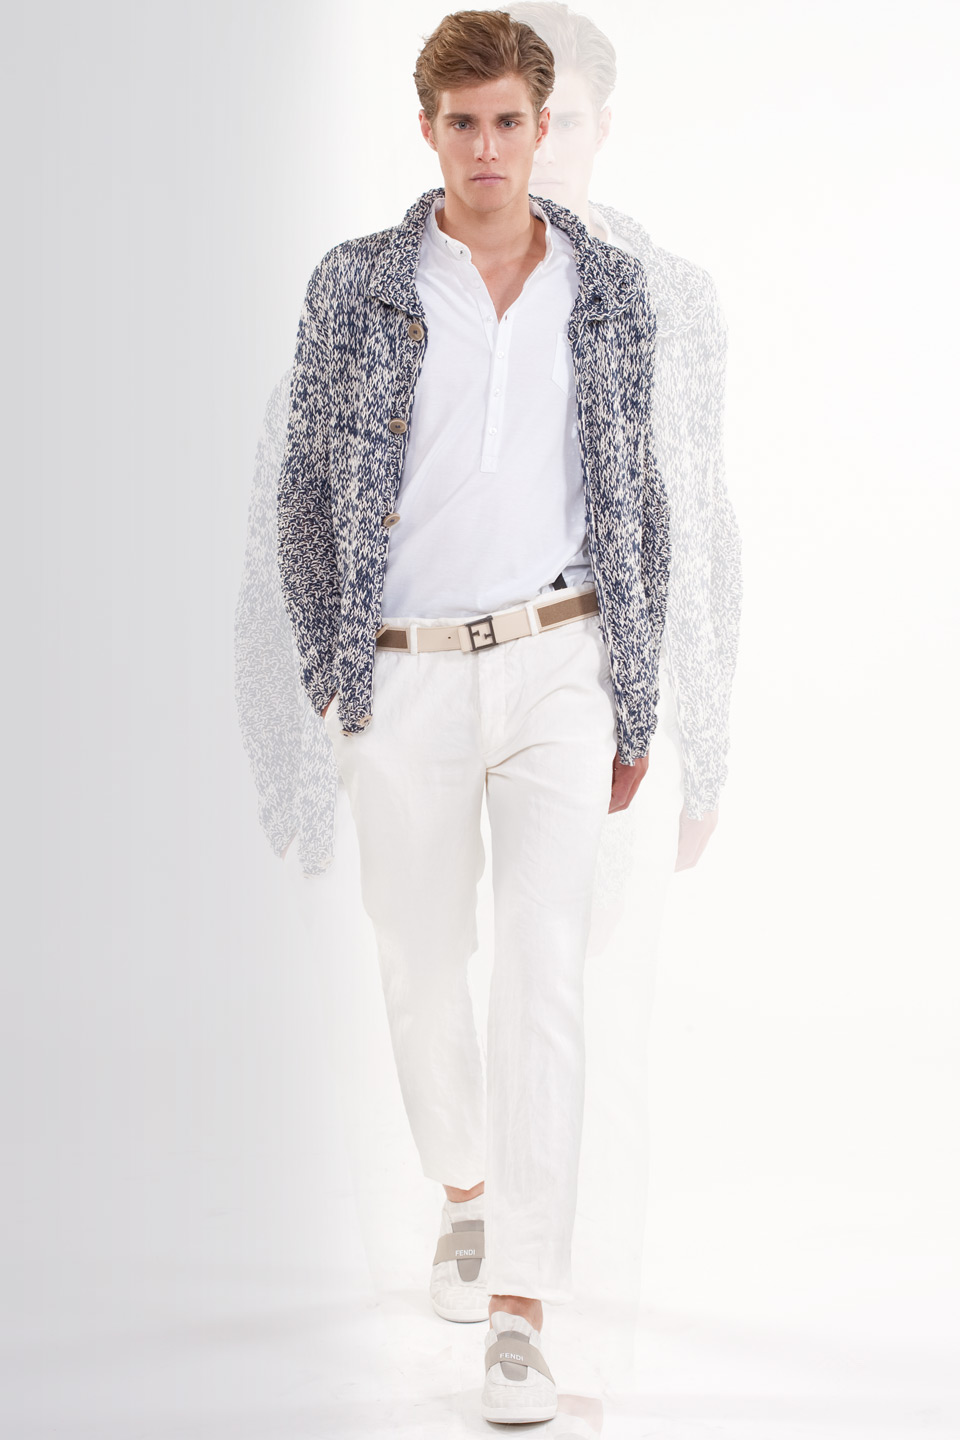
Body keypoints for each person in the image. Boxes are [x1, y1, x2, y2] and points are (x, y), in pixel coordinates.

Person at [276, 9, 669, 1425]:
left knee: (545, 971)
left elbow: (640, 492)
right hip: (407, 673)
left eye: (511, 122)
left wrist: (636, 698)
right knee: (421, 964)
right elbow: (306, 490)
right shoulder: (357, 284)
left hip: (562, 659)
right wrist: (334, 673)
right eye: (465, 123)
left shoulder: (609, 289)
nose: (490, 148)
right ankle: (463, 1189)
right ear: (429, 129)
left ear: (542, 126)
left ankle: (521, 1307)